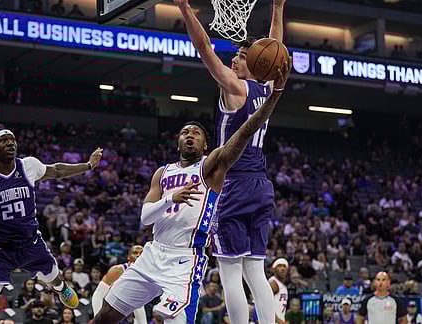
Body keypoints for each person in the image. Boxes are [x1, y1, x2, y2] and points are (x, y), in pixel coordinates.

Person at [94, 61, 290, 324]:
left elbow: (245, 132)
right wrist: (170, 198)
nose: (189, 135)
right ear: (177, 140)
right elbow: (145, 218)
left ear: (205, 143)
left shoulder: (211, 166)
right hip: (153, 253)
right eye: (185, 132)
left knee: (168, 318)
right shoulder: (162, 173)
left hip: (185, 260)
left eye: (196, 133)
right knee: (104, 316)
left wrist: (273, 98)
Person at [174, 0, 287, 322]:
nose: (233, 59)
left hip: (233, 184)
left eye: (239, 56)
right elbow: (275, 47)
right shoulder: (266, 88)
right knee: (255, 269)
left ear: (253, 61)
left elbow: (203, 47)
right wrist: (277, 8)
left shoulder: (235, 87)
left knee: (230, 269)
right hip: (261, 185)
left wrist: (184, 8)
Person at [0, 127, 103, 324]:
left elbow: (57, 170)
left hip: (31, 245)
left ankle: (60, 288)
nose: (11, 143)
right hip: (0, 251)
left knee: (55, 280)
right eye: (3, 141)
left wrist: (88, 165)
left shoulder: (28, 165)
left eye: (12, 139)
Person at [92, 245, 147, 324]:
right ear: (128, 257)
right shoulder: (117, 270)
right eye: (135, 253)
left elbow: (139, 304)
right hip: (108, 308)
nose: (138, 255)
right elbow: (98, 295)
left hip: (127, 312)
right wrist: (97, 319)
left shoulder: (145, 275)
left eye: (141, 253)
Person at [270, 258, 289, 324]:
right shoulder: (273, 283)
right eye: (279, 266)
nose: (282, 268)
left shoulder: (282, 284)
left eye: (284, 266)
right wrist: (279, 321)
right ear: (274, 269)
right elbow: (266, 305)